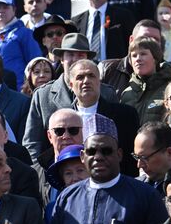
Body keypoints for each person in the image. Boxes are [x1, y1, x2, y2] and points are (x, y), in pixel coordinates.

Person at [50, 113, 168, 224]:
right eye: (91, 152)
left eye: (106, 151)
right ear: (82, 156)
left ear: (119, 155)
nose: (98, 157)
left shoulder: (145, 196)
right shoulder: (67, 198)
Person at [23, 33, 117, 162]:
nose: (75, 59)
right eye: (70, 55)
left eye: (81, 55)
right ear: (61, 59)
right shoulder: (43, 95)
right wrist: (39, 174)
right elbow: (32, 143)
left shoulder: (106, 93)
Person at [0, 0, 42, 90]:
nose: (1, 10)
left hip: (16, 90)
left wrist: (27, 87)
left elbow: (35, 63)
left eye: (5, 7)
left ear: (14, 9)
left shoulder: (25, 33)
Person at [71, 0, 136, 61]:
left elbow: (132, 45)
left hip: (114, 70)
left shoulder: (123, 16)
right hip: (85, 69)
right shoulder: (76, 21)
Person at [121, 36, 171, 124]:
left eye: (143, 54)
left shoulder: (170, 90)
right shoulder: (126, 94)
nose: (138, 59)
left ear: (155, 58)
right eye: (134, 56)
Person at [133, 121, 171, 196]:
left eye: (144, 158)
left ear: (169, 153)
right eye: (137, 157)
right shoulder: (135, 188)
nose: (139, 165)